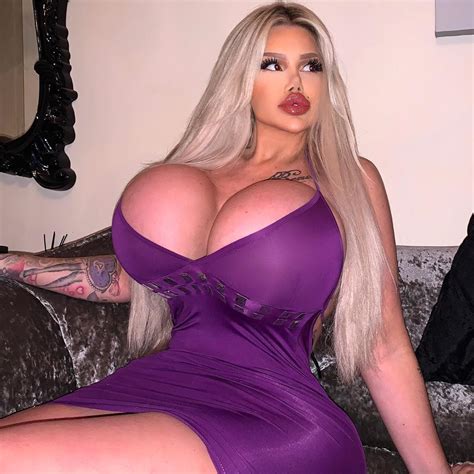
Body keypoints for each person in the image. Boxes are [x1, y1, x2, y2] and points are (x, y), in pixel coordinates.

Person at [0, 1, 472, 472]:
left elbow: (384, 345)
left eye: (312, 66)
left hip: (274, 415)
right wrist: (12, 262)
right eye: (273, 64)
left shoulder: (349, 181)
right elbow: (129, 280)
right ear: (241, 77)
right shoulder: (200, 169)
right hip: (163, 383)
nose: (296, 82)